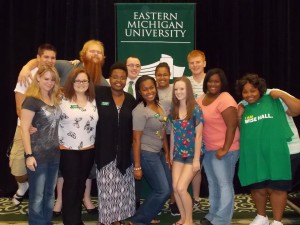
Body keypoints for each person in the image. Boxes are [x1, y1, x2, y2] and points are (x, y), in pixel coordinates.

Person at [18, 39, 109, 213]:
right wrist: (26, 68)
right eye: (92, 51)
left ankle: (86, 198)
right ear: (83, 54)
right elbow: (43, 62)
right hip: (59, 135)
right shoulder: (67, 66)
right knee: (62, 173)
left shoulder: (103, 83)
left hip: (87, 138)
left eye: (99, 52)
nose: (95, 55)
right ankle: (59, 201)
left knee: (85, 172)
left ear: (103, 58)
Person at [236, 74, 300, 225]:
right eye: (245, 92)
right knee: (258, 184)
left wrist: (282, 95)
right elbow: (244, 131)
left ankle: (277, 221)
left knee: (278, 186)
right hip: (257, 153)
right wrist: (239, 117)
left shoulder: (274, 96)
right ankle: (262, 217)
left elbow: (297, 110)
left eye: (253, 90)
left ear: (260, 89)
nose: (249, 95)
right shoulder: (243, 105)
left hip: (283, 151)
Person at [10, 43, 57, 206]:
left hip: (46, 133)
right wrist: (27, 125)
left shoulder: (55, 77)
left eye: (53, 57)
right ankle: (23, 186)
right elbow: (19, 106)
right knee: (17, 167)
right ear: (38, 58)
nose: (50, 60)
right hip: (24, 127)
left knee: (44, 174)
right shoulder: (27, 75)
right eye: (46, 57)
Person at [94, 63, 136, 225]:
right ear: (109, 78)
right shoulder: (99, 93)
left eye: (122, 78)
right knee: (107, 188)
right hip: (105, 152)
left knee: (122, 188)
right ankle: (107, 220)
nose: (118, 80)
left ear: (126, 80)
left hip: (124, 153)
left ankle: (117, 218)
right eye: (115, 77)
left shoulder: (130, 99)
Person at [197, 68, 240, 225]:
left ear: (222, 83)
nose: (213, 84)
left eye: (217, 81)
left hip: (225, 150)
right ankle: (213, 214)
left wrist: (225, 148)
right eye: (210, 80)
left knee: (224, 184)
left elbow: (232, 125)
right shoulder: (201, 98)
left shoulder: (225, 98)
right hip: (208, 149)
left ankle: (222, 220)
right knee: (213, 183)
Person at [21, 65, 61, 225]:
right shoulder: (31, 100)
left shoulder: (55, 99)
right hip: (37, 155)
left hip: (54, 154)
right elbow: (24, 129)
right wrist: (29, 155)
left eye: (52, 79)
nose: (49, 82)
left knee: (50, 194)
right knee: (37, 196)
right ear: (38, 78)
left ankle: (46, 221)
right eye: (46, 78)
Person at [131, 75, 172, 225]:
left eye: (151, 87)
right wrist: (137, 166)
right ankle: (138, 221)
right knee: (162, 190)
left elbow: (162, 132)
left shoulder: (160, 106)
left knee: (167, 188)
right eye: (145, 89)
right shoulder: (140, 111)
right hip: (145, 153)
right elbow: (136, 140)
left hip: (158, 153)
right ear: (140, 92)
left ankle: (146, 216)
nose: (149, 91)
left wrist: (167, 152)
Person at [58, 68, 98, 225]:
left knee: (80, 184)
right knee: (71, 185)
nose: (81, 84)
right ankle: (70, 221)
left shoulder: (93, 100)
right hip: (68, 150)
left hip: (88, 149)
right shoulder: (62, 99)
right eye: (78, 80)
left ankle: (76, 219)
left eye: (85, 81)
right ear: (71, 82)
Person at [169, 76, 204, 225]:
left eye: (182, 88)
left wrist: (196, 159)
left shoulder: (196, 109)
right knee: (175, 188)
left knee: (182, 188)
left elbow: (199, 136)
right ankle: (183, 217)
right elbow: (173, 133)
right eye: (176, 89)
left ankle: (189, 220)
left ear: (188, 90)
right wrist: (171, 154)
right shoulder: (174, 109)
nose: (178, 92)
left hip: (192, 155)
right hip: (178, 154)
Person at [155, 62, 179, 216]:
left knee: (174, 168)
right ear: (155, 76)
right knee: (160, 169)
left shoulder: (174, 90)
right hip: (155, 135)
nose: (162, 77)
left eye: (165, 74)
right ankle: (158, 200)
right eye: (159, 74)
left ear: (169, 75)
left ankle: (173, 201)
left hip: (173, 134)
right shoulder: (151, 89)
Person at [187, 50, 207, 209]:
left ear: (204, 63)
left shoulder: (211, 80)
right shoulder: (186, 82)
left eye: (198, 62)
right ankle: (196, 198)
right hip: (192, 130)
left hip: (212, 129)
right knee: (196, 165)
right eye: (192, 63)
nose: (195, 65)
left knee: (213, 167)